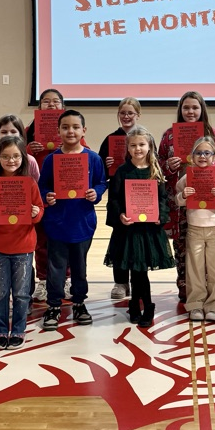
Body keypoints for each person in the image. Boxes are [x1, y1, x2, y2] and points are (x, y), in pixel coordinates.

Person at [158, 90, 215, 303]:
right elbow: (158, 162)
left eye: (195, 107)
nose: (190, 111)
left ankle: (211, 290)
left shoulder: (214, 134)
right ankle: (186, 287)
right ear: (181, 110)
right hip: (181, 198)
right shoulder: (169, 135)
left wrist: (210, 163)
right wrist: (168, 166)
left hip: (208, 200)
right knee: (183, 245)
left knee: (210, 248)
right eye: (186, 107)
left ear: (202, 109)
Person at [38, 109, 107, 331]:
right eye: (65, 127)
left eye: (75, 127)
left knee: (79, 267)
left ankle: (79, 302)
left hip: (82, 222)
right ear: (58, 131)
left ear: (83, 131)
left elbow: (101, 182)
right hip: (57, 222)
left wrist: (95, 193)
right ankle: (54, 305)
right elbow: (43, 186)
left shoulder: (93, 158)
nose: (70, 131)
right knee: (56, 267)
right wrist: (46, 195)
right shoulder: (51, 160)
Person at [104, 125, 175, 327]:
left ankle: (146, 305)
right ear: (127, 148)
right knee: (134, 269)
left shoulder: (155, 171)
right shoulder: (122, 171)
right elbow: (115, 199)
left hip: (148, 230)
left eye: (142, 145)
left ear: (150, 147)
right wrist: (120, 216)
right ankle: (136, 304)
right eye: (133, 145)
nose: (138, 149)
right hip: (128, 229)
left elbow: (162, 198)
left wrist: (160, 216)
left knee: (140, 271)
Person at [0, 136, 44, 349]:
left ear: (23, 158)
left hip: (23, 247)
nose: (11, 160)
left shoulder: (30, 184)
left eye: (16, 156)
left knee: (21, 292)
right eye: (5, 156)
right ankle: (0, 330)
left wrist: (35, 213)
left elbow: (40, 210)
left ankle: (18, 330)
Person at [0, 113, 41, 320]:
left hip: (22, 234)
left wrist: (34, 213)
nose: (8, 134)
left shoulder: (30, 163)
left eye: (13, 131)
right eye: (3, 131)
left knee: (24, 272)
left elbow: (35, 197)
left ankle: (24, 303)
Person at [176, 136, 215, 322]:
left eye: (207, 153)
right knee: (195, 268)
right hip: (194, 229)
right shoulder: (186, 177)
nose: (202, 156)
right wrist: (183, 196)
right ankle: (195, 304)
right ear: (192, 157)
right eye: (198, 153)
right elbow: (177, 199)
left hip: (214, 229)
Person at [25, 88, 70, 303]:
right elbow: (15, 158)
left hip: (65, 194)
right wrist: (28, 149)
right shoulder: (29, 131)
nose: (51, 106)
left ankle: (67, 279)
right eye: (46, 102)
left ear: (62, 106)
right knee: (40, 239)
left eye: (55, 102)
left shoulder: (70, 130)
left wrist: (68, 147)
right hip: (37, 194)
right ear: (39, 106)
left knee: (65, 237)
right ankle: (42, 280)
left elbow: (84, 153)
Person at [98, 96, 142, 300]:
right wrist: (106, 165)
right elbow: (99, 172)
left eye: (130, 113)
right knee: (120, 240)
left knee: (138, 240)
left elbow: (154, 164)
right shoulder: (110, 139)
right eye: (123, 113)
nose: (126, 116)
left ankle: (138, 281)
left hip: (141, 196)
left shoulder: (145, 137)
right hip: (118, 196)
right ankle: (120, 282)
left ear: (138, 115)